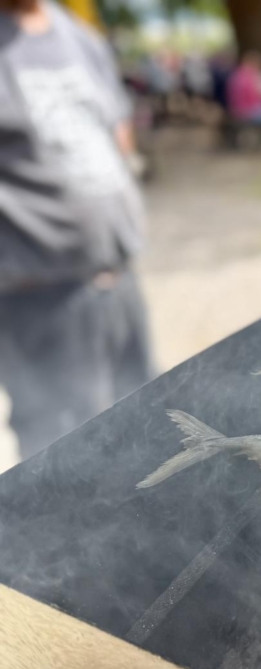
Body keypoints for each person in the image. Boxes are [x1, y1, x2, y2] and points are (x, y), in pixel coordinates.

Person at [0, 0, 153, 459]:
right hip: (37, 301)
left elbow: (118, 128)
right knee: (71, 457)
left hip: (120, 280)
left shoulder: (75, 31)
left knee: (149, 425)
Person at [227, 50, 261, 135]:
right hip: (247, 112)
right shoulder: (250, 76)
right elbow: (260, 96)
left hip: (235, 110)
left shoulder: (236, 74)